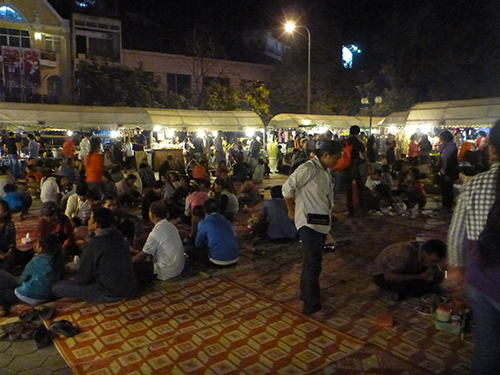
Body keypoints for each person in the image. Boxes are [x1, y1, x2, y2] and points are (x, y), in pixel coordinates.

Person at [447, 119, 500, 374]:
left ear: (491, 150)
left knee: (487, 346)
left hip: (481, 274)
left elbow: (457, 233)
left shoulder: (475, 184)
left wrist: (456, 268)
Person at [282, 141, 342, 314]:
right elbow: (287, 190)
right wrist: (291, 211)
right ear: (325, 155)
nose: (337, 162)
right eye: (335, 158)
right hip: (308, 222)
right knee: (313, 262)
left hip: (321, 221)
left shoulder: (325, 170)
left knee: (312, 261)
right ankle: (311, 303)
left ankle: (306, 295)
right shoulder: (307, 169)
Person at [52, 207, 138, 302]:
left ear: (96, 224)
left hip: (108, 292)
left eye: (91, 219)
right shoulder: (119, 236)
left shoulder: (94, 244)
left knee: (57, 287)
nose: (88, 221)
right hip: (129, 286)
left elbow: (83, 279)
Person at [0, 234, 63, 316]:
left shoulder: (36, 260)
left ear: (41, 248)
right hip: (49, 295)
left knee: (3, 293)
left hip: (30, 295)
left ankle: (3, 309)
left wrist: (15, 285)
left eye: (37, 243)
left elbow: (22, 279)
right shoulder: (58, 259)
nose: (34, 245)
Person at [371, 239, 446, 301]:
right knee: (416, 290)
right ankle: (397, 291)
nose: (434, 263)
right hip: (383, 275)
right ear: (424, 252)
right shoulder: (405, 253)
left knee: (435, 278)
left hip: (406, 268)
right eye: (433, 261)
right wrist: (419, 277)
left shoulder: (424, 251)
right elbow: (389, 276)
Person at [132, 201, 184, 284]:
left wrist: (128, 263)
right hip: (179, 267)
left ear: (151, 214)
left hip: (166, 271)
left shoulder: (156, 232)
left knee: (135, 268)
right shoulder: (171, 225)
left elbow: (142, 255)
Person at [192, 199, 239, 267]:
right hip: (235, 258)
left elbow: (198, 244)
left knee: (191, 250)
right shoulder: (226, 220)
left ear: (204, 210)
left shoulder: (204, 223)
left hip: (218, 261)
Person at [345, 126, 367, 217]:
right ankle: (362, 207)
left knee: (348, 189)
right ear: (357, 133)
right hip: (355, 166)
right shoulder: (358, 143)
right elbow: (364, 155)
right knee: (360, 187)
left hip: (345, 166)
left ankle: (350, 210)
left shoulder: (344, 142)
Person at [438, 130, 459, 212]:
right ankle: (444, 205)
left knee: (448, 189)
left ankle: (448, 206)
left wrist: (449, 174)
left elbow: (452, 163)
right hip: (444, 170)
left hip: (449, 172)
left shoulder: (452, 148)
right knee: (444, 189)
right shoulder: (445, 147)